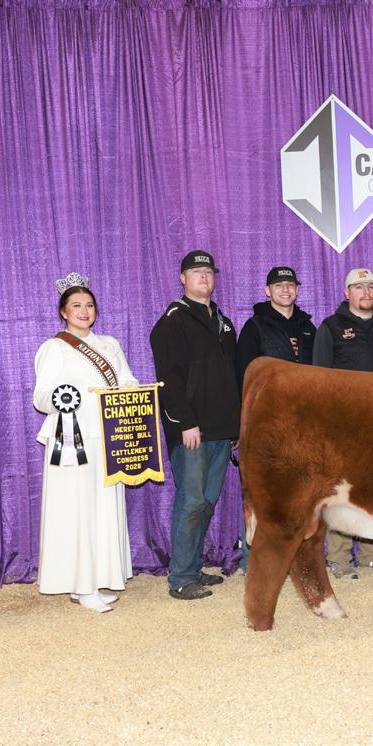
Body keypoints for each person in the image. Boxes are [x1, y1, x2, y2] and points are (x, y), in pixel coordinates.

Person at [33, 273, 139, 613]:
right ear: (63, 311)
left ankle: (96, 579)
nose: (84, 311)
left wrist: (133, 391)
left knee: (103, 510)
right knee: (77, 511)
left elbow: (126, 379)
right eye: (76, 305)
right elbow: (41, 397)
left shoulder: (109, 344)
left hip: (108, 436)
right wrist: (66, 398)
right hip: (72, 441)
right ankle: (82, 585)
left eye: (89, 305)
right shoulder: (54, 348)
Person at [150, 250, 241, 600]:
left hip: (221, 429)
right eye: (196, 271)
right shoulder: (173, 321)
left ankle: (192, 566)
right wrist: (185, 422)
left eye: (208, 271)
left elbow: (232, 378)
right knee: (191, 502)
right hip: (192, 431)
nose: (204, 276)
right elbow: (168, 380)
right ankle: (181, 578)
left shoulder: (223, 322)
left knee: (206, 503)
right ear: (182, 279)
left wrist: (235, 427)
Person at [313, 267, 373, 578]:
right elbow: (319, 379)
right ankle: (339, 559)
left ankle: (371, 553)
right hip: (345, 425)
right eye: (359, 287)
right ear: (347, 292)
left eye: (371, 287)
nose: (366, 293)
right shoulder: (331, 327)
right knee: (342, 492)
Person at [235, 265, 316, 573]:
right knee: (263, 492)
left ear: (297, 289)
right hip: (267, 423)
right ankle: (254, 561)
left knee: (301, 495)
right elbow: (244, 377)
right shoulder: (255, 327)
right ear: (267, 290)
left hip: (304, 424)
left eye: (290, 284)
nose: (285, 289)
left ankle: (297, 558)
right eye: (278, 285)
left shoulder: (308, 327)